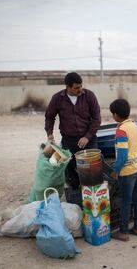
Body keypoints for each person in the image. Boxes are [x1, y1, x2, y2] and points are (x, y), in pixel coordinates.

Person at [44, 72, 101, 203]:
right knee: (71, 170)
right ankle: (77, 200)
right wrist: (49, 133)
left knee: (91, 171)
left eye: (80, 86)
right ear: (68, 87)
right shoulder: (57, 98)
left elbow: (97, 119)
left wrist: (87, 137)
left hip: (89, 140)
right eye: (76, 88)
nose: (80, 90)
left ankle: (94, 201)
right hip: (69, 140)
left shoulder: (89, 96)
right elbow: (49, 116)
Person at [109, 99, 137, 242]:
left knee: (125, 201)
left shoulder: (121, 130)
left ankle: (123, 232)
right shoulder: (135, 126)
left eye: (113, 114)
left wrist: (116, 170)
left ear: (116, 115)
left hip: (128, 170)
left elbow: (123, 154)